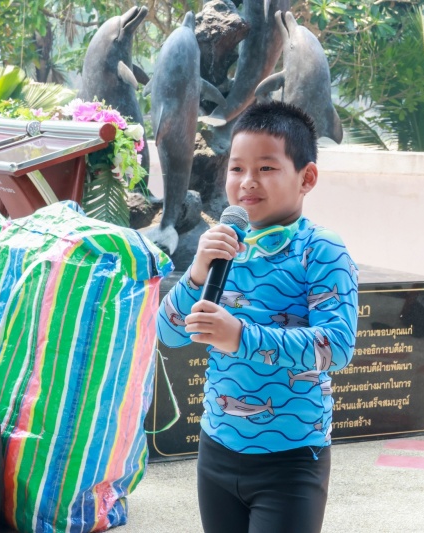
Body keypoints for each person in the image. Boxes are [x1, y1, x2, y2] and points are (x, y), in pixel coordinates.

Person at [155, 101, 358, 533]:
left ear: (307, 178)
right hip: (216, 449)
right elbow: (169, 335)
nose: (247, 181)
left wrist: (240, 336)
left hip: (291, 460)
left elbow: (337, 346)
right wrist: (196, 273)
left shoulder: (320, 248)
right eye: (237, 168)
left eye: (266, 168)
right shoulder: (223, 245)